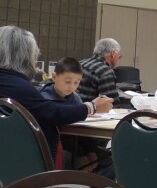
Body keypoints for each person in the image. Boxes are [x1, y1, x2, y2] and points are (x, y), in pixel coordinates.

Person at [0, 26, 112, 167]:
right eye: (34, 54)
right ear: (22, 56)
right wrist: (92, 107)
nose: (37, 56)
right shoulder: (18, 86)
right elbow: (51, 112)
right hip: (31, 169)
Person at [40, 57, 113, 174]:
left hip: (79, 143)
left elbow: (83, 128)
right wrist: (83, 154)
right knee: (84, 162)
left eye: (76, 82)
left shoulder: (75, 97)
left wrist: (90, 151)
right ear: (54, 77)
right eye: (68, 82)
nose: (71, 87)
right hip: (58, 145)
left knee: (107, 159)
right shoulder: (44, 98)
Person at [78, 38, 122, 104]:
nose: (119, 59)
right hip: (92, 112)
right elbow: (111, 104)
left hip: (75, 109)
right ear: (113, 54)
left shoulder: (80, 63)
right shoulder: (105, 72)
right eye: (119, 56)